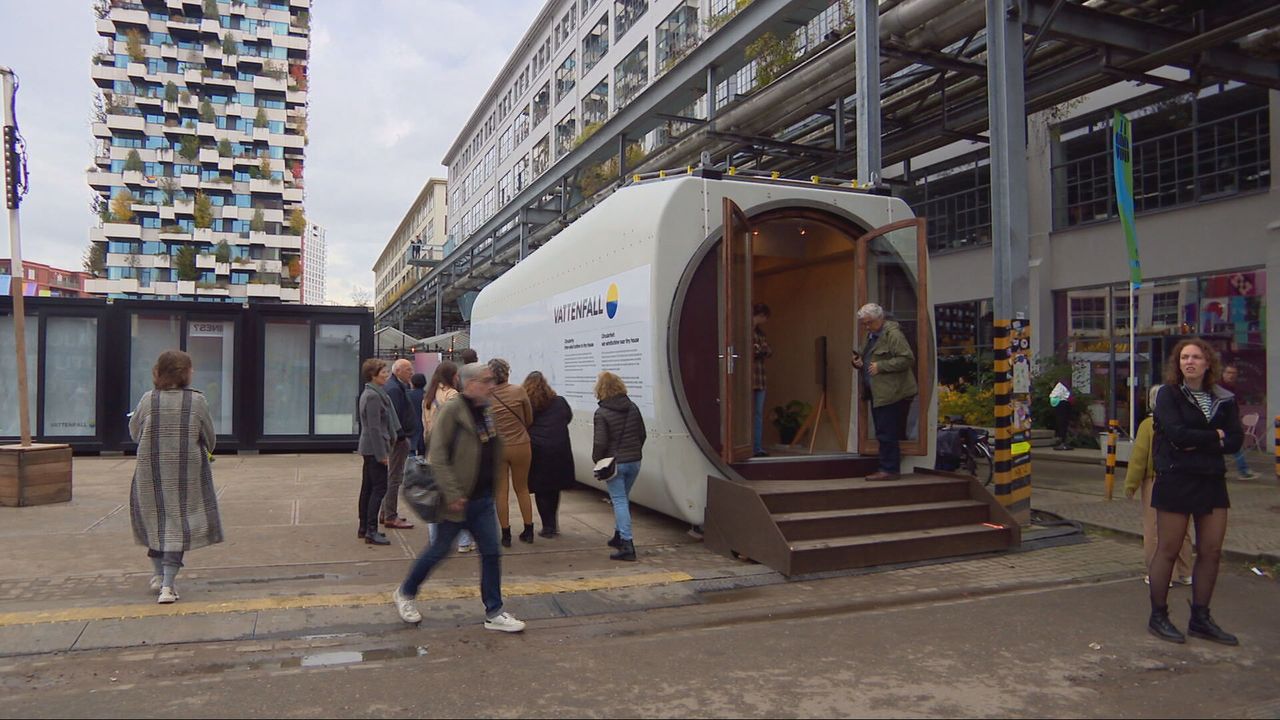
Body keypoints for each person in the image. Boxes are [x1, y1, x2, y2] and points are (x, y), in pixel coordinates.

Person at [392, 362, 526, 633]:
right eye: (486, 381)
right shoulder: (453, 410)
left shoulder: (485, 409)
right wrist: (452, 493)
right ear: (470, 383)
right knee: (439, 551)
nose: (491, 385)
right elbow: (437, 455)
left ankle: (494, 611)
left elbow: (492, 446)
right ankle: (405, 592)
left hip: (482, 499)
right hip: (458, 499)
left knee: (491, 552)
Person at [1146, 338, 1243, 645]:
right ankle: (1158, 616)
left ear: (1207, 363)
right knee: (1169, 549)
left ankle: (1201, 618)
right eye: (1184, 357)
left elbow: (1236, 441)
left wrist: (1200, 441)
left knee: (1211, 550)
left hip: (1212, 479)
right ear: (1178, 363)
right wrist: (1214, 437)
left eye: (1196, 357)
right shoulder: (1168, 395)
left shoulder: (1224, 398)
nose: (1189, 362)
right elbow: (1175, 434)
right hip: (1176, 478)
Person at [129, 350, 222, 604]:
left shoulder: (148, 400)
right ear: (187, 374)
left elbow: (135, 432)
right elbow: (210, 439)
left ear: (158, 372)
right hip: (186, 475)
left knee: (156, 520)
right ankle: (168, 586)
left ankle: (158, 576)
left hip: (150, 471)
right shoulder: (197, 402)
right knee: (178, 525)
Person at [1124, 385, 1193, 588]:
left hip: (1156, 479)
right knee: (1182, 528)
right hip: (1183, 479)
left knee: (1155, 528)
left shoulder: (1149, 424)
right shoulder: (1184, 423)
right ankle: (1186, 572)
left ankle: (1161, 574)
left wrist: (1131, 484)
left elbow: (1139, 458)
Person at [851, 303, 917, 481]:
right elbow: (865, 356)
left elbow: (907, 359)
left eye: (869, 323)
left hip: (891, 392)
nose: (866, 327)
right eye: (864, 324)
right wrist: (858, 362)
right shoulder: (872, 335)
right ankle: (887, 467)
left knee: (887, 431)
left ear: (880, 318)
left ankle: (889, 469)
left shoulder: (893, 334)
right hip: (877, 391)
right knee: (882, 430)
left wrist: (881, 366)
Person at [593, 371, 646, 561]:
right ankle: (618, 535)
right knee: (622, 499)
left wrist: (597, 460)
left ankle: (627, 544)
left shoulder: (601, 412)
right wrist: (634, 452)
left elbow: (600, 442)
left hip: (615, 463)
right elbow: (642, 434)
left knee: (619, 500)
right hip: (634, 461)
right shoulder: (633, 407)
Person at [423, 361, 473, 553]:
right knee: (458, 496)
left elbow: (426, 428)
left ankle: (436, 541)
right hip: (452, 454)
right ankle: (464, 541)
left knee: (435, 500)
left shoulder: (428, 397)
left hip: (432, 453)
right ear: (453, 376)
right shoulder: (453, 396)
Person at [487, 358, 536, 546]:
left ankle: (506, 534)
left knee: (501, 491)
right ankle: (528, 529)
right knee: (522, 488)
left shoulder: (487, 396)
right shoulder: (519, 391)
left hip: (498, 447)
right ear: (507, 372)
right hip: (521, 445)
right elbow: (529, 418)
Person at [524, 371, 575, 538]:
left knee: (540, 489)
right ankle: (553, 523)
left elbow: (523, 422)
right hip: (559, 448)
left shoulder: (528, 403)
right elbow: (568, 417)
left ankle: (547, 526)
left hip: (537, 449)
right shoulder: (559, 401)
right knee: (554, 488)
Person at [357, 358, 398, 546]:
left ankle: (364, 527)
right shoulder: (373, 396)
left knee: (368, 487)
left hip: (369, 447)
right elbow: (374, 427)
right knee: (378, 488)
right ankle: (371, 531)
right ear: (373, 375)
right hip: (375, 449)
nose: (386, 375)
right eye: (383, 372)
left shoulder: (371, 393)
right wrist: (382, 455)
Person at [380, 359, 416, 530]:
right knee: (394, 477)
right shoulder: (394, 389)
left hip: (397, 438)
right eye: (408, 369)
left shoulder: (397, 386)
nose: (412, 372)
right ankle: (390, 516)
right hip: (397, 440)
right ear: (398, 371)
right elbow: (393, 416)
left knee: (392, 476)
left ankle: (385, 512)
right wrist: (401, 436)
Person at [1218, 363, 1256, 480]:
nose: (1231, 376)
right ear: (1223, 374)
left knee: (1235, 446)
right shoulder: (1218, 388)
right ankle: (1242, 470)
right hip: (1220, 423)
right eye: (1229, 373)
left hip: (1230, 422)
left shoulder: (1233, 388)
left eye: (1234, 373)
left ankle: (1242, 470)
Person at [751, 303, 773, 458]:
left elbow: (768, 350)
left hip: (760, 378)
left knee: (758, 413)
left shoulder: (761, 333)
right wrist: (760, 350)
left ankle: (757, 447)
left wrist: (762, 350)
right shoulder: (745, 331)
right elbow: (750, 351)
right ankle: (746, 448)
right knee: (746, 414)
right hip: (748, 377)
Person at [1050, 379, 1074, 451]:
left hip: (1061, 405)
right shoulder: (1066, 385)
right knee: (1064, 423)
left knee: (1062, 423)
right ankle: (1063, 441)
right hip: (1065, 404)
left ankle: (1062, 442)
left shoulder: (1060, 385)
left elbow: (1054, 395)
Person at [407, 372, 428, 457]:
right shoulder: (428, 396)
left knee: (411, 456)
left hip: (411, 427)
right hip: (424, 426)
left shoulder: (407, 395)